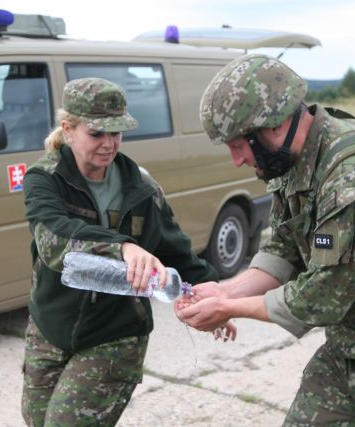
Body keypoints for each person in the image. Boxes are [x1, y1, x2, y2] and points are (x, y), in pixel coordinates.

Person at [175, 54, 355, 425]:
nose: (237, 160)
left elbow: (319, 298)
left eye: (238, 146)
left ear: (274, 126)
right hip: (349, 355)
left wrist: (228, 308)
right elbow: (283, 246)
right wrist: (225, 291)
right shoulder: (294, 160)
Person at [20, 77, 221, 426]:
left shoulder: (141, 186)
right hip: (50, 326)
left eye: (116, 133)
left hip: (116, 333)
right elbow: (54, 242)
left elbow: (174, 251)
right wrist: (122, 247)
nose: (109, 144)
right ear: (68, 130)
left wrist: (215, 298)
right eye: (97, 133)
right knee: (36, 419)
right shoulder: (44, 179)